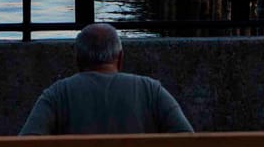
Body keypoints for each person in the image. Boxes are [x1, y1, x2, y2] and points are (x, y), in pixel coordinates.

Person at [19, 23, 193, 135]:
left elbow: (27, 143)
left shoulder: (57, 94)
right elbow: (187, 138)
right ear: (120, 58)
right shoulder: (150, 90)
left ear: (78, 60)